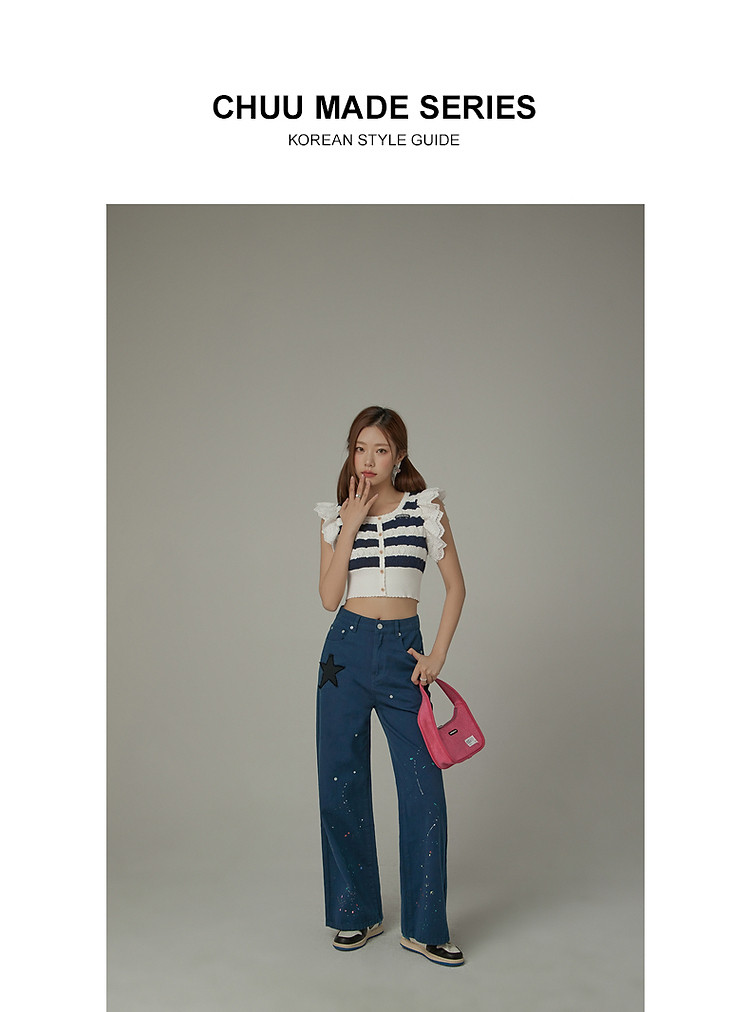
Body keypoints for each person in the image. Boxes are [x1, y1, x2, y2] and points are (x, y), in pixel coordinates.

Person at [314, 405, 467, 966]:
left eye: (381, 450)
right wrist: (350, 524)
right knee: (340, 782)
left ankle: (425, 927)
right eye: (361, 448)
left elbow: (456, 587)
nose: (369, 460)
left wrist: (438, 654)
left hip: (405, 654)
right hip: (346, 653)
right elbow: (329, 597)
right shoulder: (334, 517)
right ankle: (356, 912)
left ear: (398, 455)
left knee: (424, 789)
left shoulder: (426, 509)